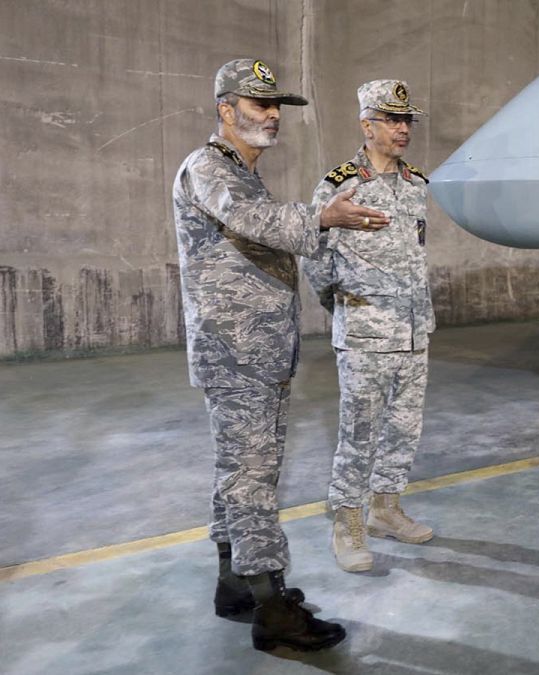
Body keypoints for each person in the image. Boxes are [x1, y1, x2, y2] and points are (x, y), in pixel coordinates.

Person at [173, 58, 389, 651]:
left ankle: (235, 585)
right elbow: (253, 221)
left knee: (238, 474)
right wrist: (322, 215)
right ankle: (272, 607)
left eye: (276, 107)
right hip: (236, 354)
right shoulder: (208, 168)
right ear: (226, 109)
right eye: (259, 105)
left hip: (259, 351)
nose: (272, 116)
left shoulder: (242, 173)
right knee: (253, 477)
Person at [302, 80, 436, 573]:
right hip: (365, 333)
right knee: (359, 431)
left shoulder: (418, 185)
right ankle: (348, 522)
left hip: (415, 328)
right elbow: (315, 258)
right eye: (392, 120)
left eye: (407, 121)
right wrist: (346, 309)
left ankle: (386, 508)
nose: (403, 129)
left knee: (404, 429)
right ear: (367, 125)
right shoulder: (340, 185)